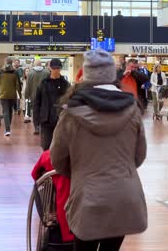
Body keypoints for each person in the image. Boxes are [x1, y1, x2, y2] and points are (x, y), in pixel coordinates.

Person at [50, 49, 147, 251]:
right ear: (112, 75)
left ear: (86, 75)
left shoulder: (71, 113)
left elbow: (58, 160)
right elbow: (138, 157)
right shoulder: (133, 109)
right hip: (124, 198)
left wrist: (80, 173)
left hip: (87, 197)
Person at [34, 58, 70, 151]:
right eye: (54, 68)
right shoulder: (43, 83)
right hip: (46, 119)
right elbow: (37, 102)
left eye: (58, 68)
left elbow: (70, 101)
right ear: (50, 68)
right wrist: (36, 120)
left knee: (60, 147)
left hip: (60, 120)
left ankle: (57, 165)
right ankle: (47, 165)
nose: (56, 70)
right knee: (46, 146)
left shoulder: (65, 84)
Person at [0, 58, 22, 137]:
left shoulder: (0, 72)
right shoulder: (15, 73)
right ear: (12, 63)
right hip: (12, 95)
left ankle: (7, 129)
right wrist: (19, 94)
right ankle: (8, 126)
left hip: (3, 94)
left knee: (5, 111)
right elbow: (18, 85)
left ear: (5, 62)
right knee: (10, 111)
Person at [25, 60, 50, 134]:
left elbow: (28, 86)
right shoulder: (47, 72)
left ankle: (36, 127)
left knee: (35, 112)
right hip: (44, 96)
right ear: (41, 65)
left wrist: (26, 95)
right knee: (43, 111)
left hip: (34, 96)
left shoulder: (30, 73)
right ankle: (42, 126)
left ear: (34, 65)